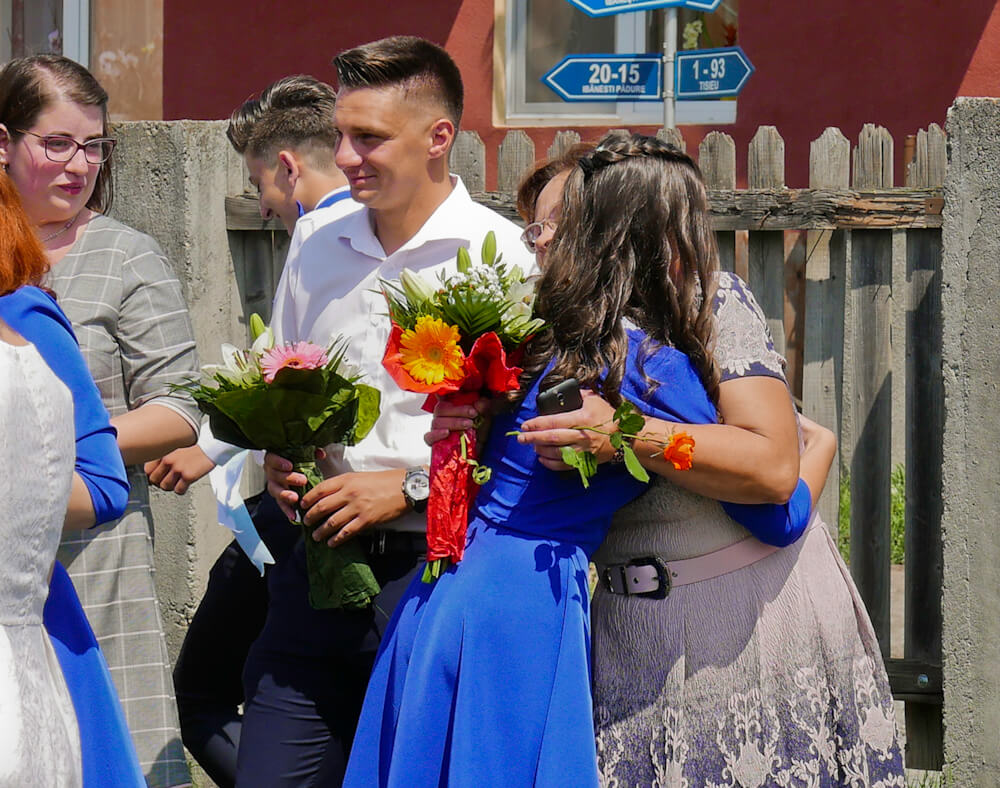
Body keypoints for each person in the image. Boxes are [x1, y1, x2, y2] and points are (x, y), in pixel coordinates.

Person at [508, 136, 905, 785]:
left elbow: (773, 472)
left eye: (560, 220)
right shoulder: (548, 326)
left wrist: (628, 434)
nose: (542, 240)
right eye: (536, 226)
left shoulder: (707, 304)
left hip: (749, 620)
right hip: (627, 629)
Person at [244, 37, 534, 786]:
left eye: (368, 137)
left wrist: (406, 488)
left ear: (439, 137)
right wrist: (281, 454)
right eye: (342, 134)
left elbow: (528, 446)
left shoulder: (505, 256)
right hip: (316, 568)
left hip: (435, 577)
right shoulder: (315, 241)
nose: (345, 156)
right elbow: (286, 374)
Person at [149, 74, 361, 788]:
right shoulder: (360, 235)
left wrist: (208, 446)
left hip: (303, 512)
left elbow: (292, 379)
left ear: (288, 168)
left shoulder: (321, 237)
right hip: (314, 506)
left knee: (203, 690)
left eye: (257, 182)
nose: (263, 204)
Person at [0, 55, 199, 787]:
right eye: (58, 143)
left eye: (94, 146)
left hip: (95, 552)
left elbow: (180, 404)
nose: (80, 164)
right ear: (3, 142)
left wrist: (47, 452)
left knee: (101, 750)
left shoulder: (124, 256)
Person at [0, 169, 136, 787]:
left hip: (30, 619)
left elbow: (103, 482)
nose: (78, 166)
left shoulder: (24, 320)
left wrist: (24, 511)